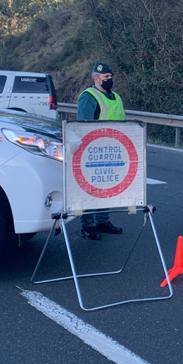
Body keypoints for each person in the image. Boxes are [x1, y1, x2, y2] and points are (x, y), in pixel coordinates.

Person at [76, 62, 125, 239]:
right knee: (91, 190)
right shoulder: (89, 97)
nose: (109, 80)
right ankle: (88, 226)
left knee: (106, 188)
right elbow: (83, 126)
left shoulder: (116, 98)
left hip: (112, 150)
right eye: (106, 77)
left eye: (110, 77)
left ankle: (103, 221)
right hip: (92, 151)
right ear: (96, 78)